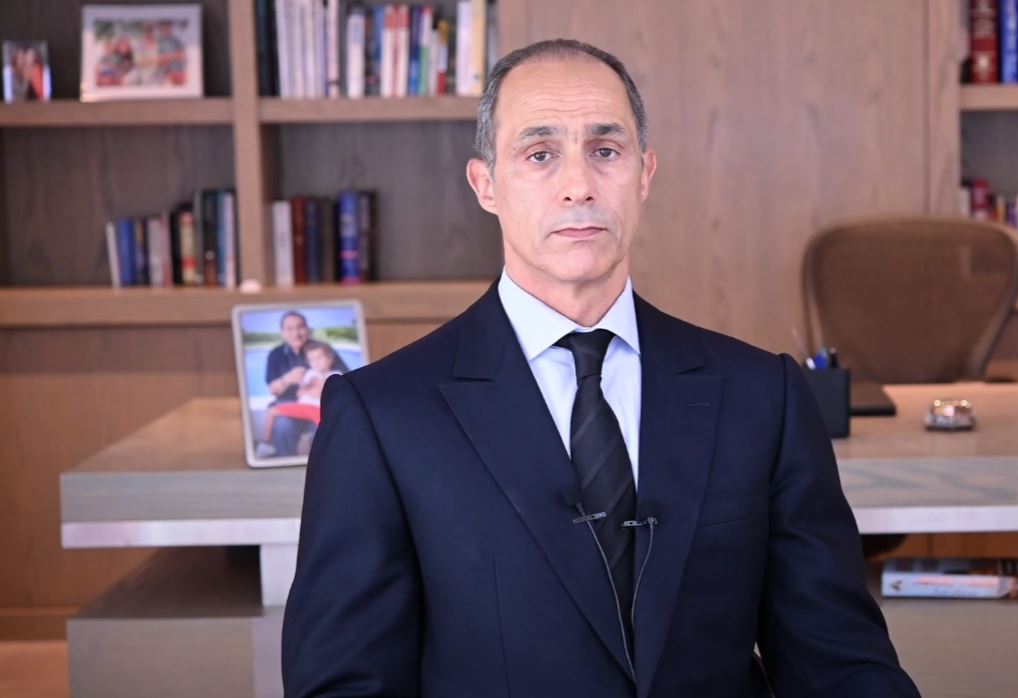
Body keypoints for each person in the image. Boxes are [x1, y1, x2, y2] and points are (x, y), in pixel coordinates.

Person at [282, 39, 920, 697]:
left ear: (645, 174)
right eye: (540, 154)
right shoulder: (381, 416)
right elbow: (344, 683)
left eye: (606, 151)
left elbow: (840, 661)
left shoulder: (764, 396)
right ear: (485, 184)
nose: (579, 186)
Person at [263, 311, 348, 457]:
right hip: (291, 405)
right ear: (282, 332)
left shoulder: (322, 349)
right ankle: (283, 462)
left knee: (324, 428)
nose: (296, 333)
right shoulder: (276, 354)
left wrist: (324, 391)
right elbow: (273, 390)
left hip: (321, 407)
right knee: (283, 426)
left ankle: (324, 466)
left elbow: (346, 382)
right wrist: (287, 379)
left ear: (307, 328)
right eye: (289, 328)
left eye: (300, 327)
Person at [256, 340, 341, 459]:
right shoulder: (309, 374)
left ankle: (330, 456)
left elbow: (331, 395)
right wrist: (308, 389)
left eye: (319, 358)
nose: (316, 363)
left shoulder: (335, 375)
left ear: (330, 359)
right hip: (302, 408)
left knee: (327, 431)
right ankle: (266, 444)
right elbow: (300, 393)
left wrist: (317, 387)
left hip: (319, 410)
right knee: (272, 411)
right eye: (312, 360)